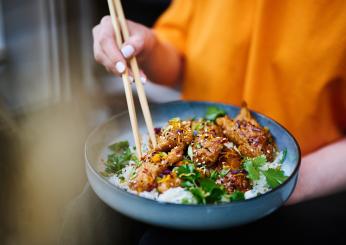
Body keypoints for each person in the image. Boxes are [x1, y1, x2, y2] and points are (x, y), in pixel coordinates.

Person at [92, 0, 346, 204]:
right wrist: (145, 48)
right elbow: (178, 58)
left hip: (311, 184)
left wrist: (287, 184)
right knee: (89, 213)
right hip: (196, 142)